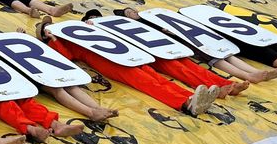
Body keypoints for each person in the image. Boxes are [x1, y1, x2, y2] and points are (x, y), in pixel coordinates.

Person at [36, 16, 225, 117]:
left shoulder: (81, 29)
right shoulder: (62, 42)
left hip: (129, 55)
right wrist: (53, 40)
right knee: (147, 83)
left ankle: (190, 97)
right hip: (112, 62)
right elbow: (67, 57)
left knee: (156, 78)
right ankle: (183, 103)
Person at [112, 7, 277, 80]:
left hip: (191, 35)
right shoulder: (137, 25)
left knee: (226, 52)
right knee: (215, 58)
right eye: (129, 12)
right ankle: (248, 75)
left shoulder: (152, 15)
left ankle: (257, 72)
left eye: (132, 10)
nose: (133, 12)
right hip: (181, 41)